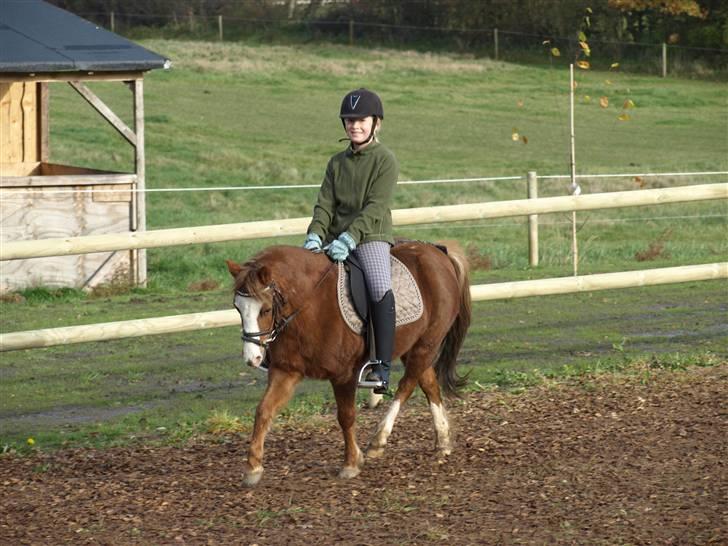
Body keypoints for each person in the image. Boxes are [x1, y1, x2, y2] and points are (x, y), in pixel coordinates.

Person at [303, 88, 398, 394]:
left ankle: (381, 366)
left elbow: (376, 207)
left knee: (380, 288)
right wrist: (315, 234)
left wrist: (350, 237)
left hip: (370, 235)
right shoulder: (335, 163)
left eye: (361, 120)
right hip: (334, 237)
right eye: (349, 120)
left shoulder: (385, 160)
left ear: (376, 123)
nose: (354, 125)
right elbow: (325, 204)